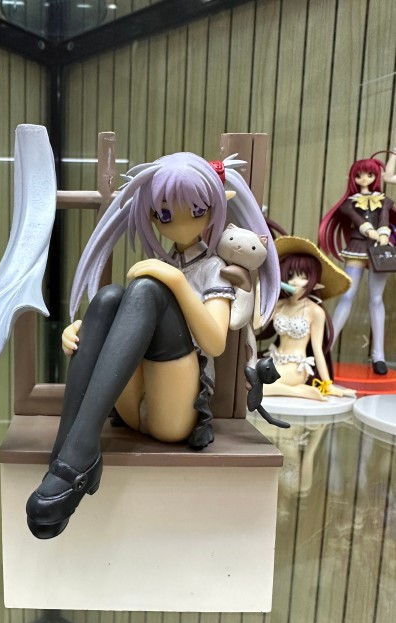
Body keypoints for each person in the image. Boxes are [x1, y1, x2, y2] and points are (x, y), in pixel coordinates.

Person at [26, 151, 281, 539]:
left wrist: (174, 282)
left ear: (216, 207)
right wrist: (83, 332)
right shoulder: (161, 262)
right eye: (164, 215)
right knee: (109, 298)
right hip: (134, 407)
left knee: (146, 289)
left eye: (195, 211)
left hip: (175, 411)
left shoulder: (214, 268)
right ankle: (68, 448)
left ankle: (76, 460)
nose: (178, 223)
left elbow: (215, 342)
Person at [319, 157, 395, 374]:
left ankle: (378, 356)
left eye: (369, 175)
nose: (364, 179)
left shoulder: (384, 200)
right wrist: (369, 231)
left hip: (379, 250)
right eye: (359, 175)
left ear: (376, 177)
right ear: (353, 177)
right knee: (347, 296)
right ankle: (326, 349)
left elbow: (384, 218)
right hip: (357, 248)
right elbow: (357, 219)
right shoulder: (349, 203)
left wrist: (383, 234)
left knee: (376, 299)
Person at [262, 236, 353, 401]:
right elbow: (256, 324)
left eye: (303, 277)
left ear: (313, 281)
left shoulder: (315, 311)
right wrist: (259, 289)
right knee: (246, 381)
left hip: (296, 368)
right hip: (273, 361)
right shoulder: (279, 305)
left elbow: (317, 348)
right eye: (291, 275)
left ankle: (300, 390)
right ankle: (298, 391)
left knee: (259, 386)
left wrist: (327, 383)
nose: (295, 281)